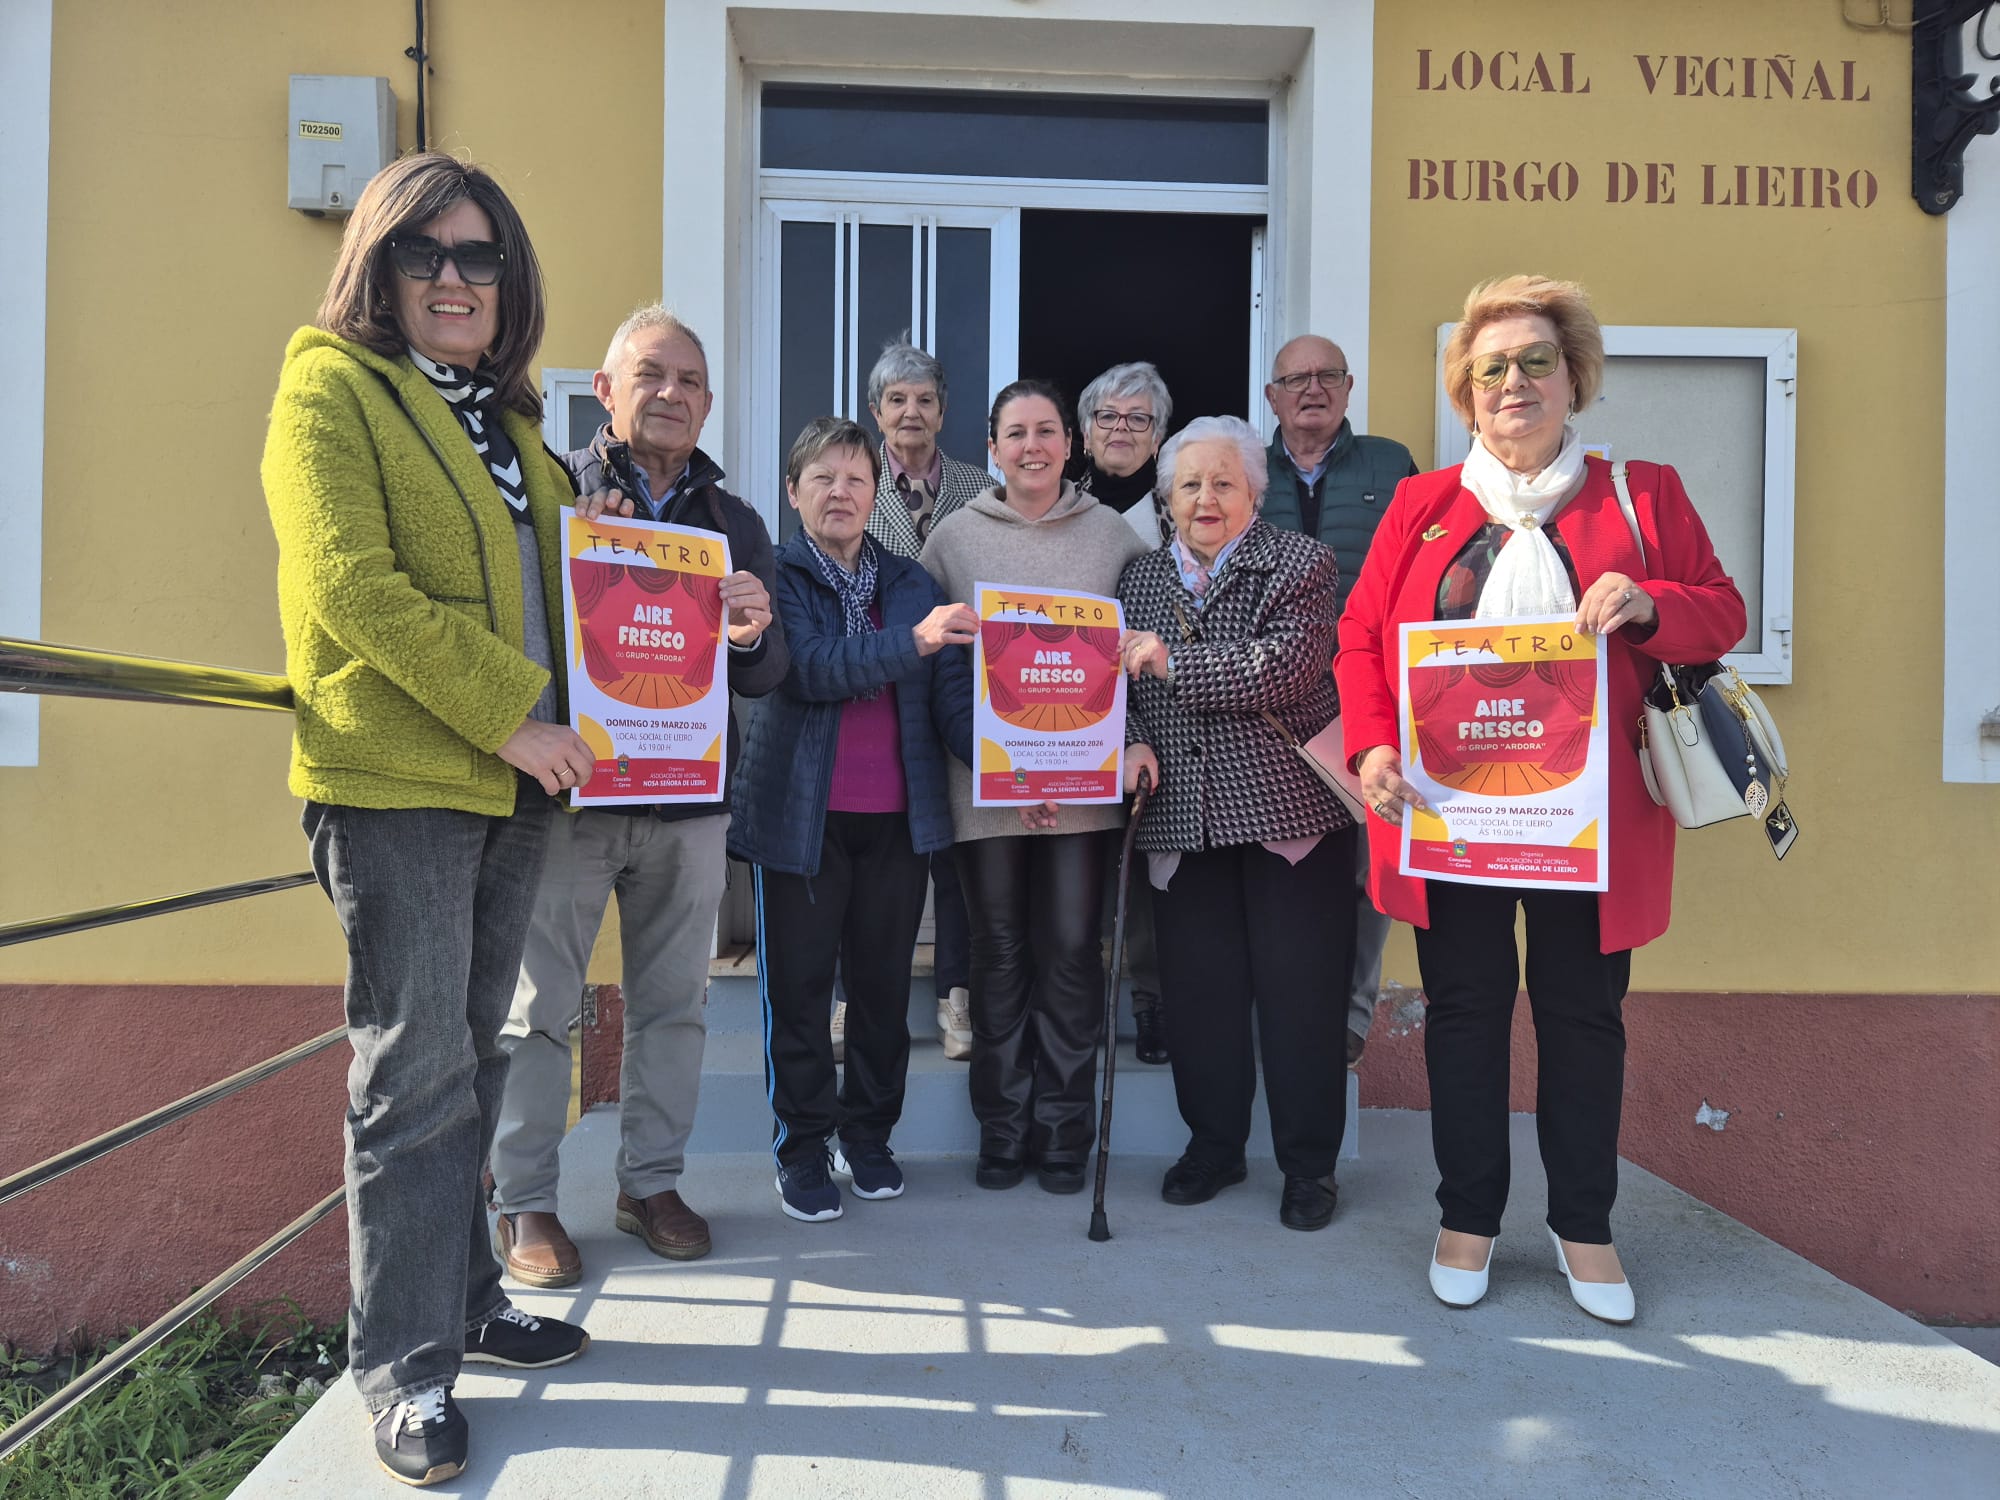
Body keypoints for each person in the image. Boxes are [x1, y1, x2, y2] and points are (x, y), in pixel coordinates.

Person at [262, 153, 595, 1487]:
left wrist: (704, 619)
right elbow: (349, 586)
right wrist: (513, 714)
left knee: (472, 1056)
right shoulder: (329, 387)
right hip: (398, 781)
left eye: (479, 256)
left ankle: (464, 1301)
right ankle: (403, 1372)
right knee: (411, 1077)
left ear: (509, 280)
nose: (455, 278)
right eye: (425, 253)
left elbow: (571, 588)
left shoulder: (507, 426)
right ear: (380, 268)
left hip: (511, 787)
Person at [1335, 274, 1745, 1322]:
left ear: (1573, 380)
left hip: (1588, 823)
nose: (1512, 382)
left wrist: (1650, 601)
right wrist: (1372, 746)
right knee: (1464, 1014)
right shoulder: (1421, 507)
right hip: (1453, 814)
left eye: (1534, 362)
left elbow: (1722, 611)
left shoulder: (1642, 494)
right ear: (1466, 395)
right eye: (1490, 369)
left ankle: (1584, 1227)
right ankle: (1467, 1217)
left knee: (1581, 1017)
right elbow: (1362, 640)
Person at [489, 307, 787, 1286]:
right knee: (540, 1006)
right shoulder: (551, 492)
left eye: (690, 380)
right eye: (651, 374)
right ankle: (525, 1199)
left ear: (709, 403)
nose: (671, 393)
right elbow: (515, 624)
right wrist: (581, 543)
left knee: (674, 1006)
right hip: (571, 796)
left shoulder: (734, 522)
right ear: (606, 391)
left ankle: (650, 1185)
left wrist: (750, 631)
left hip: (688, 806)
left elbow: (764, 674)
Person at [730, 417, 978, 1221]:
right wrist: (914, 643)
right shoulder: (774, 576)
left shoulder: (911, 583)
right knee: (799, 994)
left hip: (898, 822)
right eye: (823, 478)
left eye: (856, 479)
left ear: (876, 494)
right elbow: (808, 669)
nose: (840, 492)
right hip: (799, 823)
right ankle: (801, 1147)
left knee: (881, 992)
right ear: (793, 491)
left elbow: (950, 701)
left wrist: (1022, 766)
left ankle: (867, 1135)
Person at [1114, 415, 1357, 1230]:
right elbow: (1117, 688)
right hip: (1181, 816)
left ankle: (1309, 1166)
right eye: (1190, 484)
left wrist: (1171, 662)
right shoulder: (1140, 579)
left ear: (1255, 491)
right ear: (1167, 498)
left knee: (1301, 999)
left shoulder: (1300, 562)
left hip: (1288, 817)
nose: (1206, 498)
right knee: (1199, 999)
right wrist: (1132, 739)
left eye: (1224, 482)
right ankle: (1214, 1146)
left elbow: (1285, 669)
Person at [920, 380, 1151, 1194]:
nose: (1032, 446)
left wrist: (1130, 742)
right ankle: (1003, 1129)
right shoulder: (953, 541)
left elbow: (1136, 657)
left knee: (1071, 953)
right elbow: (938, 670)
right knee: (998, 952)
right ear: (992, 448)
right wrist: (1005, 767)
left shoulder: (1112, 537)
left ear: (1070, 444)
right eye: (1015, 433)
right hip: (986, 791)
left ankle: (1061, 1132)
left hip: (1082, 792)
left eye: (1046, 431)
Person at [1261, 334, 1419, 1071]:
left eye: (1328, 376)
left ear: (1349, 388)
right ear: (1272, 397)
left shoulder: (1391, 465)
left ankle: (1351, 1014)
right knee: (1274, 860)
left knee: (1366, 864)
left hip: (1366, 695)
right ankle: (1274, 1005)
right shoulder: (1244, 468)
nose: (1312, 389)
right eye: (1296, 379)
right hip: (1269, 702)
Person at [861, 340, 992, 1062]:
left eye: (925, 400)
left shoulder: (981, 485)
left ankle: (957, 992)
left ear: (943, 412)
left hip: (967, 682)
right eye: (897, 400)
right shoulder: (853, 476)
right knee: (875, 849)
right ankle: (852, 997)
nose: (911, 412)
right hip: (880, 682)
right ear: (876, 411)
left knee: (957, 847)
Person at [1078, 361, 1175, 1063]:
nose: (1121, 429)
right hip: (1066, 708)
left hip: (1155, 707)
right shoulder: (1058, 502)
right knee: (1079, 860)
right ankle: (1077, 1000)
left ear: (1159, 435)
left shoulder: (1179, 510)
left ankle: (1152, 1000)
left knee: (1147, 866)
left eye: (1138, 418)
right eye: (1107, 416)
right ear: (1084, 433)